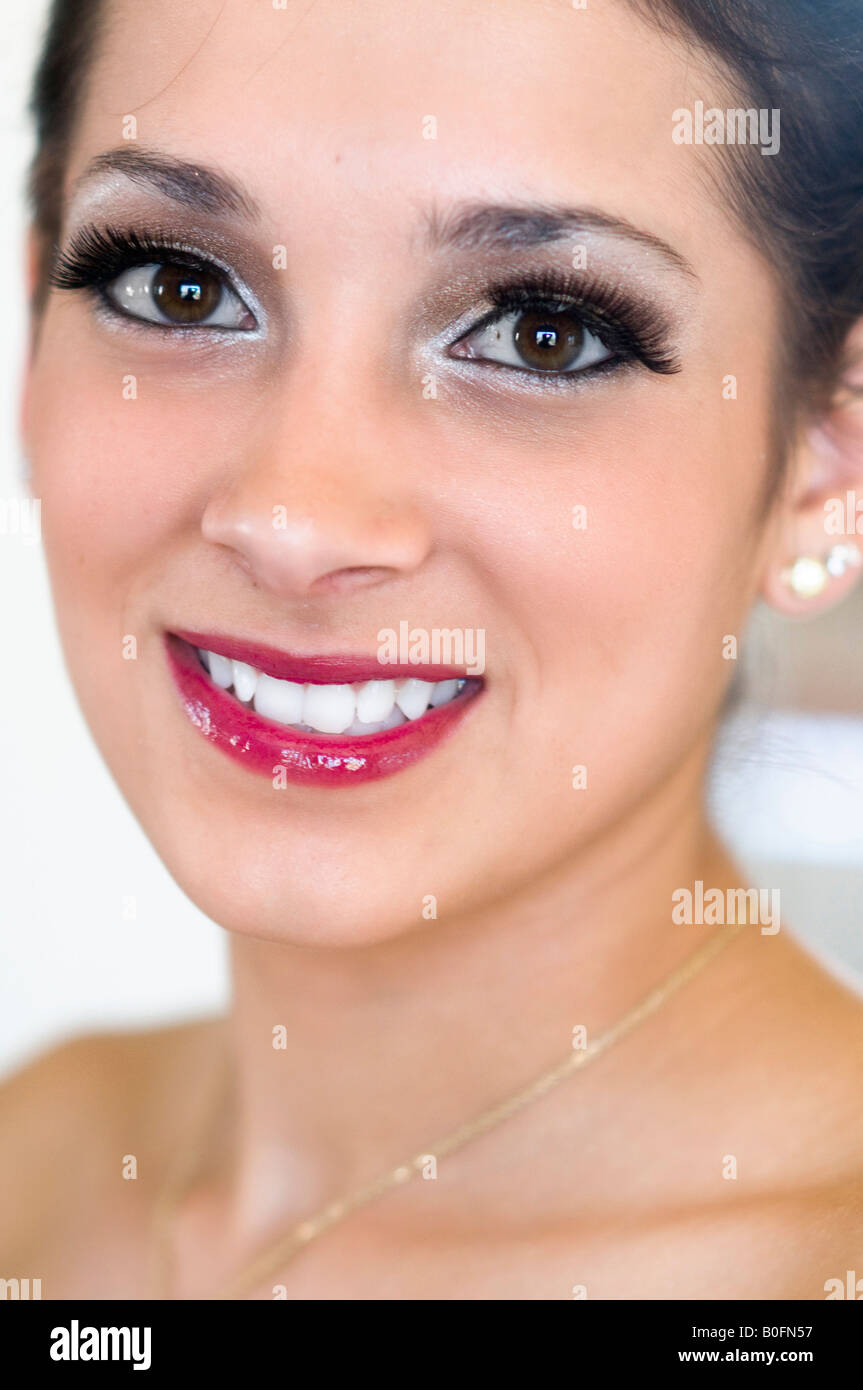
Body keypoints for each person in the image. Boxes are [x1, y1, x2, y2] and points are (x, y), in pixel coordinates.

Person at [2, 0, 863, 1299]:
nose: (296, 519)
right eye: (178, 283)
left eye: (541, 332)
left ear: (828, 460)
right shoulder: (41, 1144)